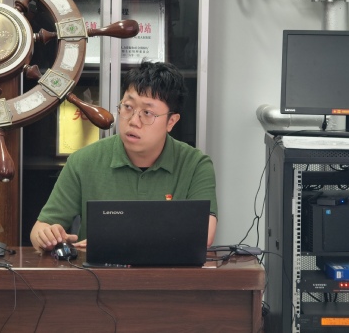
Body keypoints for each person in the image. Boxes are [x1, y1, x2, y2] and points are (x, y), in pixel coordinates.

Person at [30, 60, 218, 252]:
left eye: (147, 112)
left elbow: (204, 234)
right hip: (99, 270)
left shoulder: (195, 165)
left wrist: (112, 242)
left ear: (171, 121)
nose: (134, 121)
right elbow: (39, 231)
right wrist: (47, 236)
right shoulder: (83, 161)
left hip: (169, 271)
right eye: (127, 107)